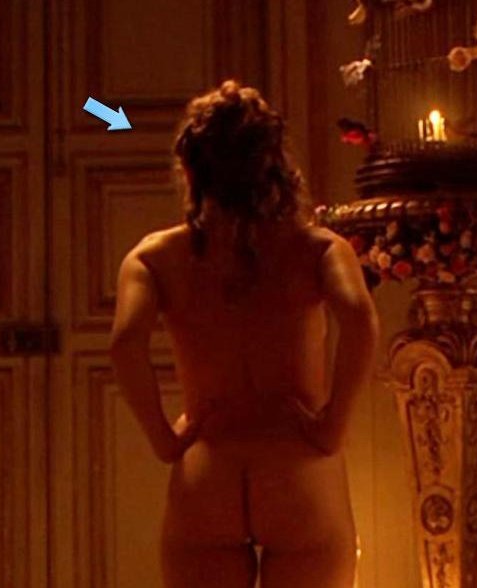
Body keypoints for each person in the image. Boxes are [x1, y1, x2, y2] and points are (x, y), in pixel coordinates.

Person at [109, 80, 380, 588]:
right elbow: (359, 319)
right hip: (296, 465)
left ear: (190, 169)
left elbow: (125, 343)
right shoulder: (319, 249)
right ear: (274, 165)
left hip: (208, 466)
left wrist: (164, 440)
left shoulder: (154, 257)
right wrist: (333, 425)